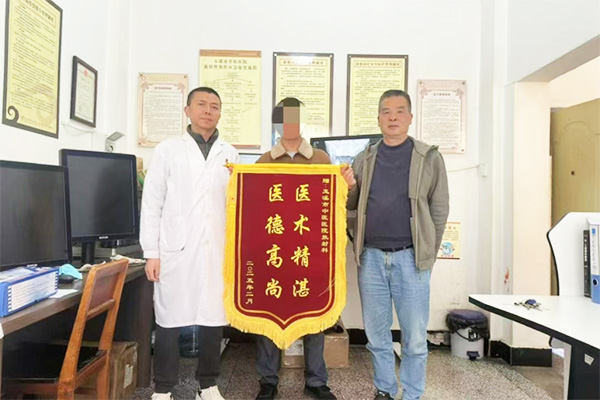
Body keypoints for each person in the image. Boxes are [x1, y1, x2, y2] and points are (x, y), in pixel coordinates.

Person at [344, 90, 449, 400]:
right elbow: (351, 205)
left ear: (410, 118)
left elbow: (439, 210)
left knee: (414, 337)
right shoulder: (364, 158)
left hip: (411, 259)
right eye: (386, 111)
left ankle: (412, 394)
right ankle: (385, 389)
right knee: (376, 335)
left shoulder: (429, 157)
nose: (392, 117)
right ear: (378, 119)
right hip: (371, 259)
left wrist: (427, 252)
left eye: (399, 111)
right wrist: (349, 187)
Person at [140, 87, 239, 400]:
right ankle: (163, 388)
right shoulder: (167, 150)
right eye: (201, 104)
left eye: (214, 106)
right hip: (175, 249)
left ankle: (207, 385)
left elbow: (237, 204)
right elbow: (152, 202)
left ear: (220, 113)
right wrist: (151, 253)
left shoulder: (230, 154)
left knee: (212, 318)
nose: (208, 110)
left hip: (217, 249)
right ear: (188, 111)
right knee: (169, 318)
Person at [254, 97, 337, 400]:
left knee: (314, 313)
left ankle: (316, 380)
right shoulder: (264, 162)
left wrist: (346, 184)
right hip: (274, 250)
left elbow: (332, 204)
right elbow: (255, 208)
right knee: (269, 313)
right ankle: (267, 380)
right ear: (276, 124)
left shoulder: (321, 160)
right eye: (284, 119)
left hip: (309, 250)